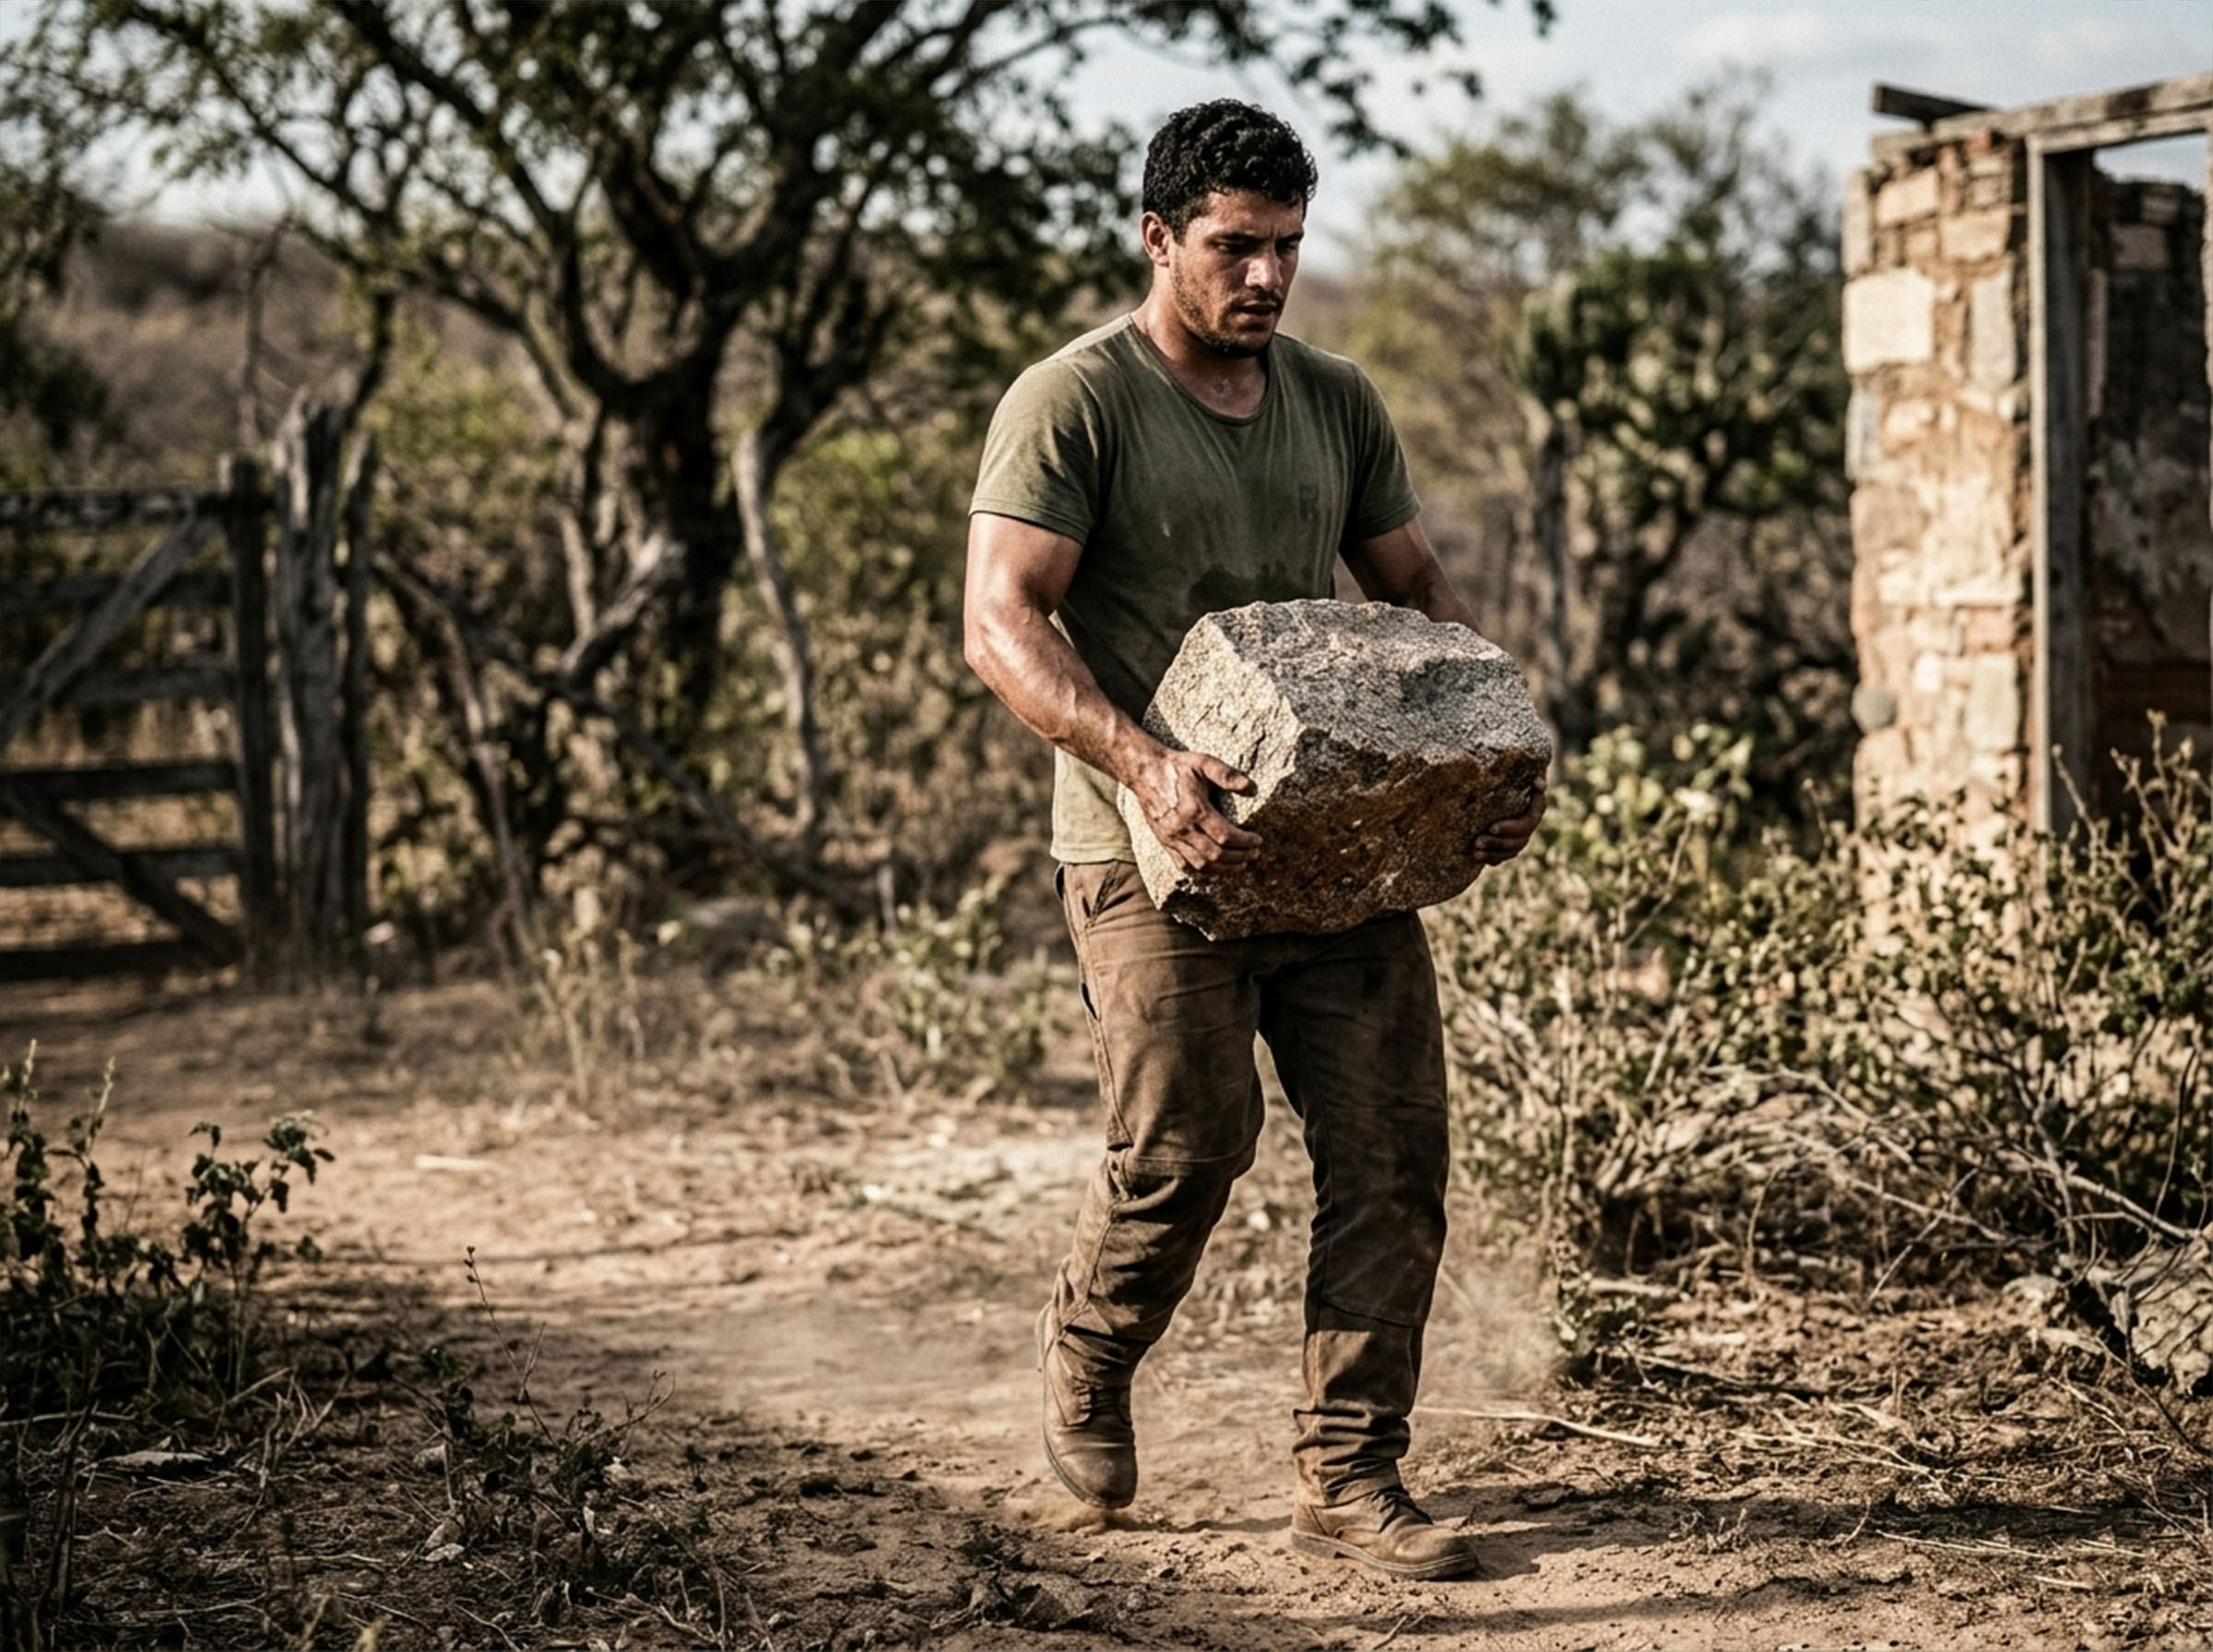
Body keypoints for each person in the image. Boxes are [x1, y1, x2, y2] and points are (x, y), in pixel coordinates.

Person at [961, 99, 1545, 1582]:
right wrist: (1145, 766)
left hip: (1334, 850)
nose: (1268, 276)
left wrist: (1485, 753)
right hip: (1142, 845)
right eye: (1235, 246)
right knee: (1188, 1143)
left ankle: (1349, 1472)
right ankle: (1091, 1353)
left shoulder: (1336, 401)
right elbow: (1000, 622)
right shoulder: (1073, 401)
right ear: (1159, 240)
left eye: (1288, 246)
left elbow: (1421, 600)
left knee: (1394, 1147)